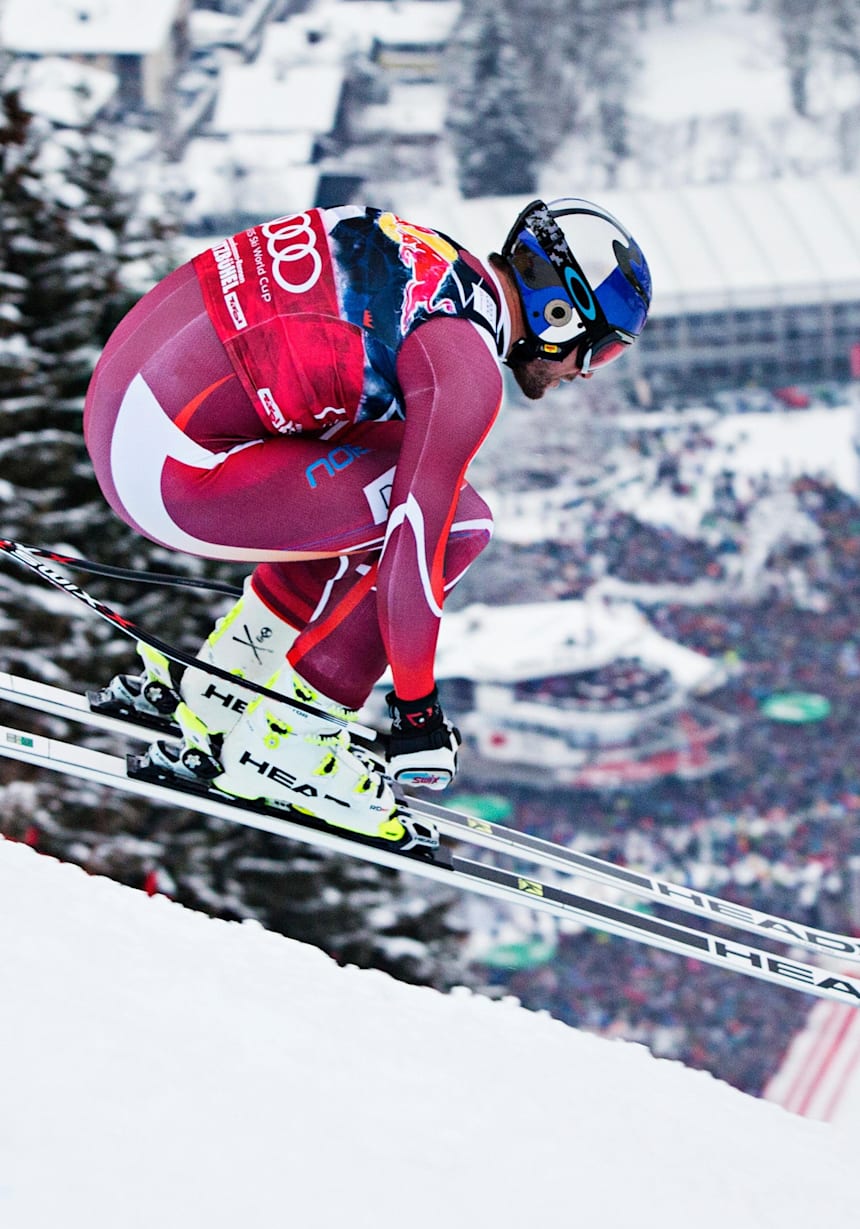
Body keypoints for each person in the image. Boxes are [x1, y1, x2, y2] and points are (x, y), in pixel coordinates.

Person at [83, 199, 652, 849]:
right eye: (600, 350)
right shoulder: (462, 366)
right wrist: (417, 710)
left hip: (123, 416)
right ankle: (290, 745)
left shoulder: (433, 260)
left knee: (390, 462)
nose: (584, 371)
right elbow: (419, 544)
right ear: (560, 314)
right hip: (170, 474)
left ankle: (226, 680)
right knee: (459, 522)